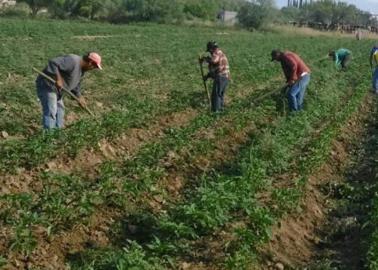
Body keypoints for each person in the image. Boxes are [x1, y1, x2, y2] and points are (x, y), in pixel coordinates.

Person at [36, 52, 102, 129]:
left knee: (60, 111)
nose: (92, 69)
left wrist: (79, 97)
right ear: (90, 63)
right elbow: (53, 63)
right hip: (48, 86)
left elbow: (75, 85)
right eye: (94, 67)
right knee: (51, 111)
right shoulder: (73, 60)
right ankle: (49, 136)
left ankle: (57, 134)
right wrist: (58, 79)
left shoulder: (81, 71)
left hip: (57, 91)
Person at [200, 41, 230, 112]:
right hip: (225, 77)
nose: (210, 53)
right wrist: (207, 76)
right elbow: (215, 68)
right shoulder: (220, 54)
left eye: (209, 50)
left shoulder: (217, 52)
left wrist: (205, 59)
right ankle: (220, 110)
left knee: (216, 95)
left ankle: (215, 112)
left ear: (211, 49)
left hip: (221, 77)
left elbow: (214, 61)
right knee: (220, 95)